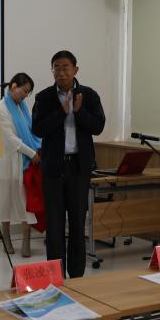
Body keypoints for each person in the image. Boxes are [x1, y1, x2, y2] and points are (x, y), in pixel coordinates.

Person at [31, 50, 105, 278]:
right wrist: (61, 113)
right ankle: (55, 277)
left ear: (75, 70)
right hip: (53, 169)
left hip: (78, 169)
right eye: (56, 68)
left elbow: (98, 127)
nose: (61, 72)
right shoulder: (44, 98)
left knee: (77, 224)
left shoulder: (89, 95)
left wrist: (79, 112)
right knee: (54, 228)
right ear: (52, 71)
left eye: (65, 67)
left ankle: (77, 278)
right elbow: (38, 129)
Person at [0, 73, 39, 257]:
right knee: (5, 201)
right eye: (24, 91)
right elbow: (10, 138)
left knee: (26, 202)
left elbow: (30, 131)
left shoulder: (23, 107)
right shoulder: (0, 107)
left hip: (24, 162)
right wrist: (32, 153)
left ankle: (26, 239)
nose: (25, 96)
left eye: (28, 93)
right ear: (13, 86)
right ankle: (6, 237)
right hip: (8, 161)